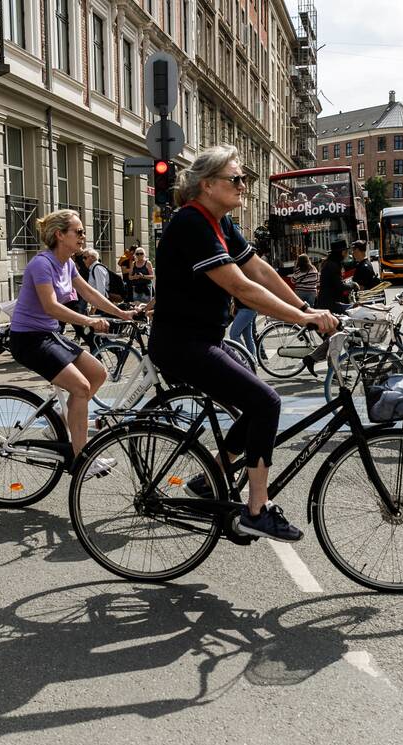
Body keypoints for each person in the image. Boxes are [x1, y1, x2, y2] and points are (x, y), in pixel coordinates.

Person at [148, 144, 337, 542]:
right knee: (266, 401)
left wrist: (306, 306)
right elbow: (240, 287)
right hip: (182, 344)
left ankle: (212, 475)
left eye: (244, 179)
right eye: (236, 179)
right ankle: (256, 508)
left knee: (255, 407)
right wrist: (302, 318)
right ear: (208, 184)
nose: (243, 186)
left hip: (203, 339)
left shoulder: (220, 222)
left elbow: (260, 270)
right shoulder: (191, 223)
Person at [9, 209, 136, 473]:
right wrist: (89, 322)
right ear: (59, 235)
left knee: (98, 374)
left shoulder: (68, 264)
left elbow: (89, 293)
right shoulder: (41, 264)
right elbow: (51, 307)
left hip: (49, 335)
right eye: (78, 232)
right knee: (80, 387)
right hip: (28, 339)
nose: (83, 236)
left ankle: (60, 421)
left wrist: (122, 312)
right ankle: (82, 458)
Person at [314, 239, 351, 312]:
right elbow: (340, 286)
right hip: (330, 304)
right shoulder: (334, 265)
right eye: (346, 252)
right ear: (342, 252)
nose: (347, 254)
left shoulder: (330, 263)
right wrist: (352, 285)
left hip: (326, 302)